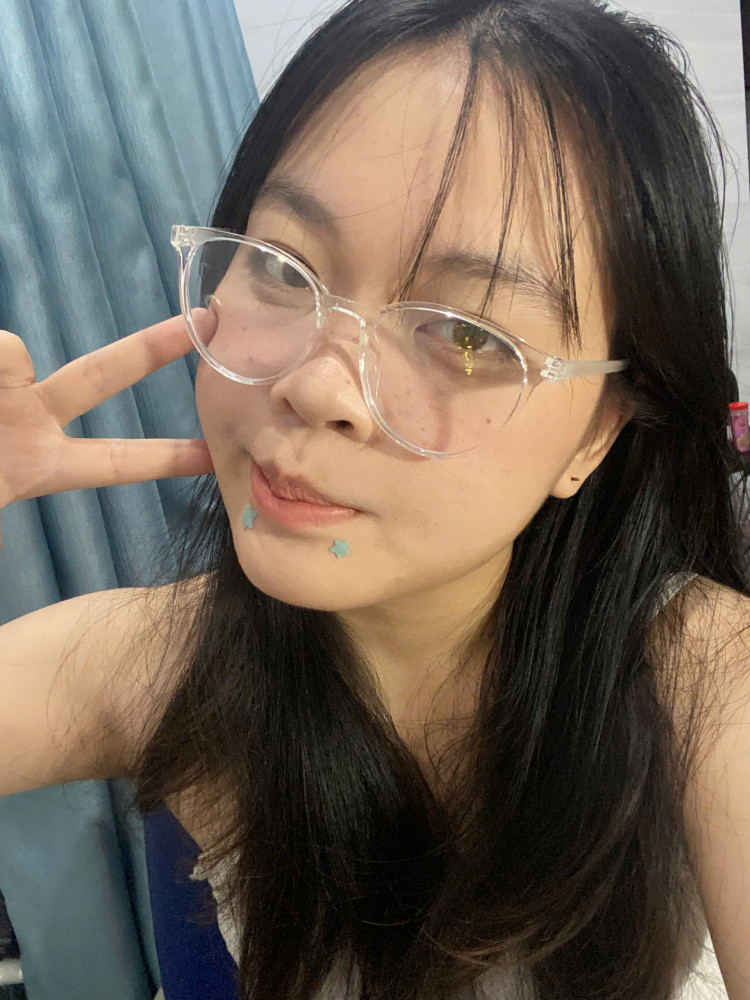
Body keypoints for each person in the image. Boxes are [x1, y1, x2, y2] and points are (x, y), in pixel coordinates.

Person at [1, 0, 749, 997]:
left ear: (598, 432)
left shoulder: (705, 682)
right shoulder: (162, 662)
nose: (317, 385)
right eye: (282, 266)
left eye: (469, 335)